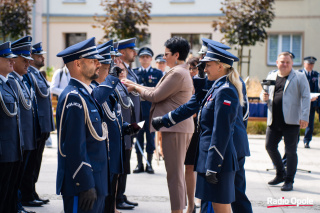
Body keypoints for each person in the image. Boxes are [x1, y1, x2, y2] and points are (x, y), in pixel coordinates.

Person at [152, 38, 252, 213]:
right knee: (213, 199)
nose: (202, 66)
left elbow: (231, 122)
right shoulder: (213, 83)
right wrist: (165, 119)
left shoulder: (228, 86)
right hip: (215, 149)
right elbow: (195, 103)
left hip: (228, 147)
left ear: (219, 64)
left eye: (206, 61)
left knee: (234, 197)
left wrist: (215, 161)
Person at [122, 36, 194, 213]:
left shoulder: (177, 72)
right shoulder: (179, 71)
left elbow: (155, 96)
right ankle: (181, 208)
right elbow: (156, 91)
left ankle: (177, 210)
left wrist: (136, 88)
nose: (164, 57)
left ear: (176, 55)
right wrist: (134, 84)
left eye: (166, 54)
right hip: (177, 127)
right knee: (176, 174)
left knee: (175, 175)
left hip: (176, 128)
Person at [56, 37, 117, 213]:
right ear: (78, 64)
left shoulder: (86, 94)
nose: (99, 64)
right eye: (93, 61)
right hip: (83, 186)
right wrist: (84, 184)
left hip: (96, 182)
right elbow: (74, 147)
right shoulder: (73, 97)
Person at [260, 52, 310, 191]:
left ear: (292, 63)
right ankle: (280, 174)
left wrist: (304, 117)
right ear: (277, 63)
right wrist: (262, 97)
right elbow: (264, 93)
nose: (285, 64)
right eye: (282, 62)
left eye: (287, 62)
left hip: (292, 121)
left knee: (290, 152)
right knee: (269, 146)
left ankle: (289, 180)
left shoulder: (299, 77)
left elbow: (306, 97)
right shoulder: (271, 76)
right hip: (274, 120)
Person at [18, 38, 54, 206]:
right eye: (39, 55)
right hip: (35, 125)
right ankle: (27, 193)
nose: (42, 58)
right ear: (31, 57)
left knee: (35, 162)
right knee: (29, 163)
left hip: (41, 125)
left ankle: (31, 191)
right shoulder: (28, 75)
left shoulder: (36, 74)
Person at [9, 41, 37, 213]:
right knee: (15, 177)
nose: (28, 63)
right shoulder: (12, 80)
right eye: (24, 60)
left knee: (21, 174)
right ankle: (16, 205)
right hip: (19, 138)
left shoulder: (21, 80)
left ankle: (18, 204)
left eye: (29, 60)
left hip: (26, 136)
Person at [115, 38, 139, 210]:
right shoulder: (117, 69)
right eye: (132, 50)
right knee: (121, 161)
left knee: (126, 161)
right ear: (122, 52)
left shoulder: (129, 70)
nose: (135, 53)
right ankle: (117, 197)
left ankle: (121, 194)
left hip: (131, 123)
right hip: (122, 123)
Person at [0, 41, 24, 213]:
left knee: (9, 193)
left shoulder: (10, 84)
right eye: (6, 58)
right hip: (3, 151)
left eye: (12, 58)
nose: (11, 61)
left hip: (14, 149)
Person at [132, 47, 163, 174]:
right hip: (137, 112)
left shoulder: (157, 73)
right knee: (138, 137)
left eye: (147, 57)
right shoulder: (134, 73)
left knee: (150, 138)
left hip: (150, 111)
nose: (145, 59)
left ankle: (149, 164)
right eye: (142, 57)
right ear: (139, 59)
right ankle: (139, 164)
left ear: (151, 59)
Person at [299, 56, 319, 148]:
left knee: (309, 122)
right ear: (304, 64)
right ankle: (295, 139)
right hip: (300, 102)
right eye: (309, 64)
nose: (310, 66)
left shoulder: (316, 75)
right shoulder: (299, 73)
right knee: (297, 121)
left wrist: (316, 97)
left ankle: (307, 141)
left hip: (313, 102)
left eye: (312, 64)